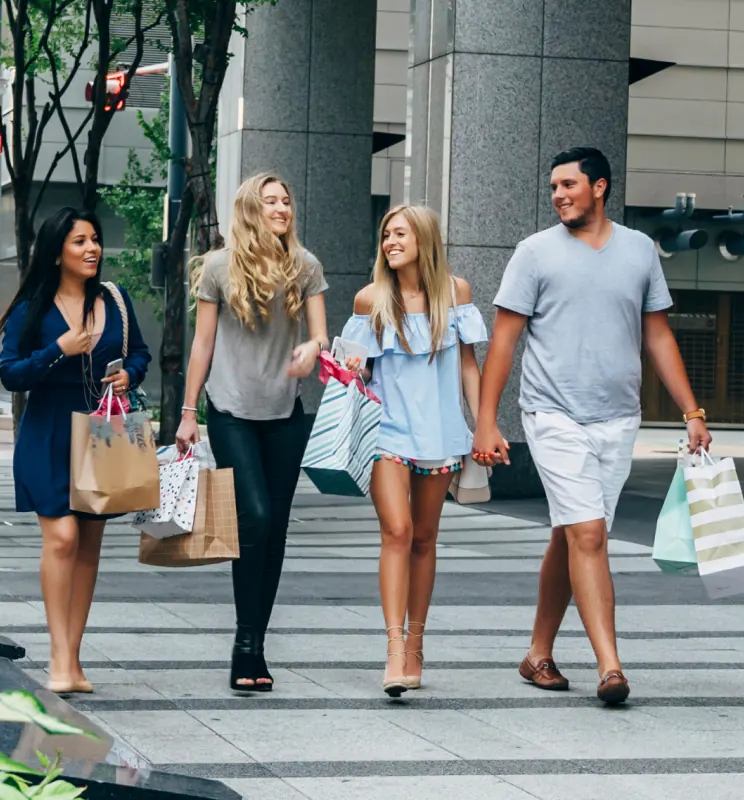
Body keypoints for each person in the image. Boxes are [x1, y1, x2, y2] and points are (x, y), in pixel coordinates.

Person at [471, 147, 711, 707]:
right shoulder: (533, 254)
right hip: (553, 415)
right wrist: (486, 421)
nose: (558, 194)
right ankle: (610, 666)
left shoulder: (638, 251)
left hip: (618, 419)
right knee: (590, 535)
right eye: (553, 186)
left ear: (599, 187)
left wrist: (692, 411)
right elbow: (504, 340)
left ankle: (537, 654)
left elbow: (657, 335)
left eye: (569, 185)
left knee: (570, 533)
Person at [173, 173, 328, 692]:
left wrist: (313, 348)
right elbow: (202, 344)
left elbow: (321, 333)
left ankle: (255, 646)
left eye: (287, 200)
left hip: (285, 413)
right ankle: (244, 641)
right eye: (271, 202)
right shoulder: (219, 267)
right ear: (249, 210)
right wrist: (188, 411)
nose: (282, 208)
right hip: (231, 410)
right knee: (255, 516)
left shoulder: (304, 265)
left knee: (276, 528)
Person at [0, 208, 149, 695]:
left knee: (88, 547)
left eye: (95, 240)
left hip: (102, 433)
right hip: (47, 433)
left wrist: (132, 374)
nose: (91, 249)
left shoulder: (115, 301)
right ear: (57, 249)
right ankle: (59, 656)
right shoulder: (33, 308)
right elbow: (11, 373)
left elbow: (140, 352)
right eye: (79, 241)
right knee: (61, 538)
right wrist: (59, 348)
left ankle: (74, 659)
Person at [336, 205, 482, 697]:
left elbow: (467, 367)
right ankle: (395, 648)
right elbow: (353, 372)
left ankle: (416, 644)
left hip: (440, 432)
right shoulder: (369, 299)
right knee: (396, 531)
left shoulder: (455, 294)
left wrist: (484, 426)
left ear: (424, 238)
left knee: (424, 537)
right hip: (388, 432)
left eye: (399, 233)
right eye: (385, 234)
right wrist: (348, 364)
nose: (390, 242)